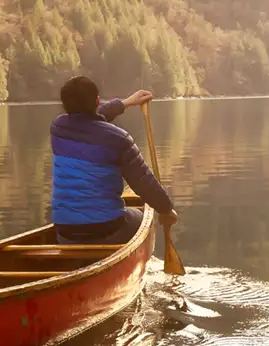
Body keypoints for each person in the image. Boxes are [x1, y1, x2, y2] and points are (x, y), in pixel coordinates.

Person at [49, 76, 178, 245]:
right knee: (141, 219)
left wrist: (126, 103)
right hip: (106, 228)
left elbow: (90, 119)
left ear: (65, 105)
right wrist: (166, 209)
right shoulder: (119, 139)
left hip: (65, 230)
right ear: (96, 101)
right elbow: (144, 183)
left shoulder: (58, 129)